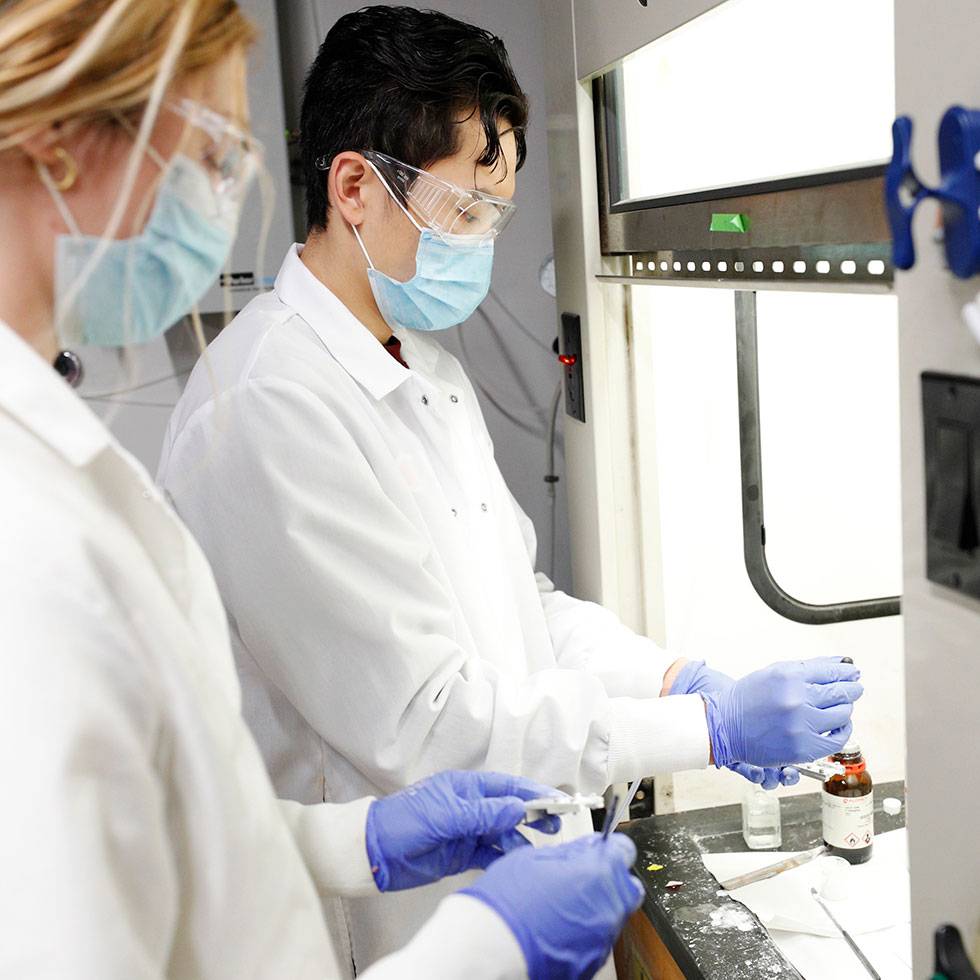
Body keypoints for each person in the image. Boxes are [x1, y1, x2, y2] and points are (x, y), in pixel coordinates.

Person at [157, 5, 864, 975]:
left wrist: (678, 680)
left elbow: (522, 609)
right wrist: (704, 730)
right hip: (400, 931)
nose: (481, 245)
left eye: (495, 214)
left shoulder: (425, 370)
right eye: (463, 212)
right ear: (355, 188)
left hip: (508, 887)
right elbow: (431, 722)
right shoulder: (267, 406)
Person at [0, 2, 648, 978]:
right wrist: (484, 946)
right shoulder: (76, 501)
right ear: (54, 147)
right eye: (213, 154)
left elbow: (178, 826)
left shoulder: (424, 368)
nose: (231, 194)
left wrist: (361, 839)